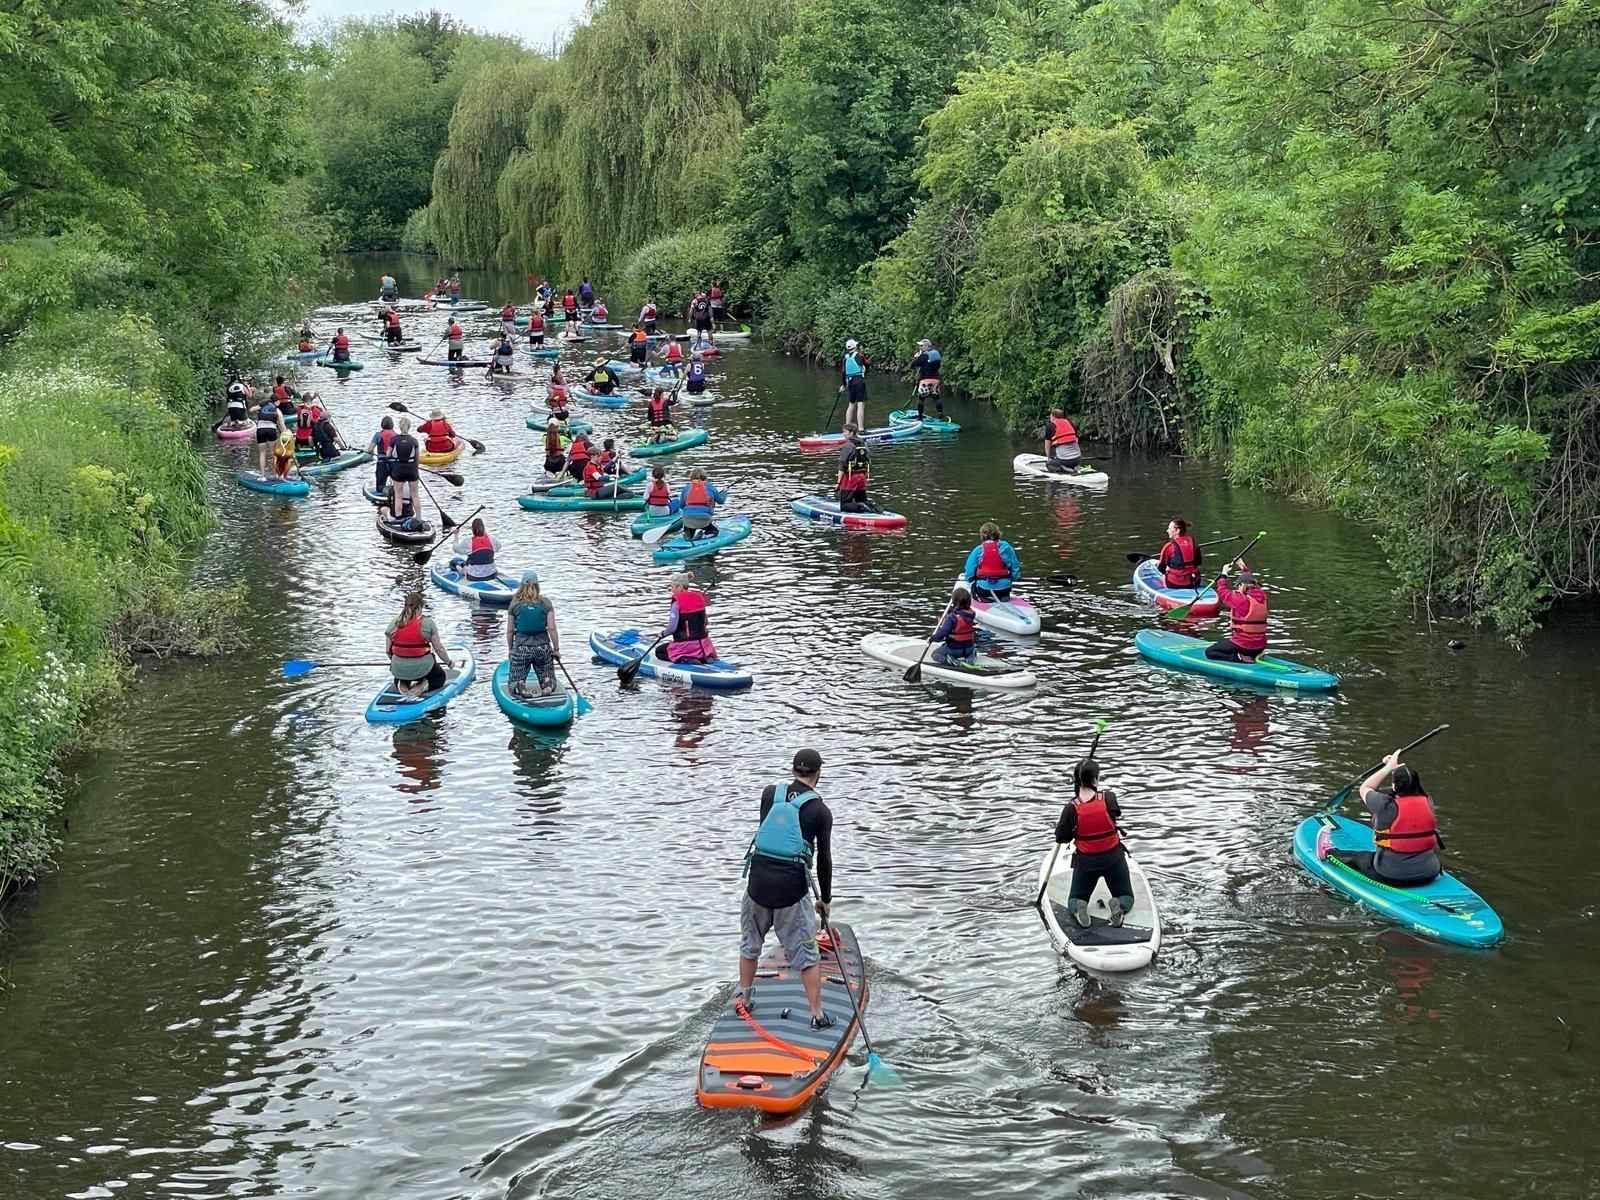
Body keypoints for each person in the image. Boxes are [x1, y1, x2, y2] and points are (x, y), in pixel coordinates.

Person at [736, 748, 835, 1030]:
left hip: (757, 885)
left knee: (750, 943)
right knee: (806, 954)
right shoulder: (820, 810)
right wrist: (825, 900)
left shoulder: (769, 794)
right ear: (819, 773)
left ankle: (744, 997)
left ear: (793, 770)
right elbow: (825, 860)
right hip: (791, 892)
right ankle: (817, 1015)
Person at [1318, 750, 1442, 886]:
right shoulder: (1428, 802)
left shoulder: (1385, 805)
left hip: (1391, 874)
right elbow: (1411, 785)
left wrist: (1388, 768)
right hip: (1430, 872)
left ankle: (1327, 852)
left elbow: (1365, 787)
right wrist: (1396, 769)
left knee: (1360, 858)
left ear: (1394, 786)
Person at [1054, 757, 1134, 928]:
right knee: (1126, 896)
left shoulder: (1071, 808)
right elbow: (1114, 814)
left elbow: (1061, 837)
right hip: (1114, 859)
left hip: (1086, 862)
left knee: (1074, 899)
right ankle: (1118, 904)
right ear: (1096, 779)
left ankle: (1079, 907)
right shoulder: (1109, 798)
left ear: (1075, 781)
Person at [385, 591, 453, 699]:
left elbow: (388, 651)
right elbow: (439, 649)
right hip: (423, 667)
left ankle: (402, 684)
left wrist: (397, 661)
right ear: (421, 606)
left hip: (399, 667)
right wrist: (449, 662)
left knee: (402, 675)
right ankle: (421, 686)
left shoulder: (394, 623)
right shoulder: (428, 623)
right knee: (440, 677)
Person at [506, 571, 561, 698]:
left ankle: (519, 685)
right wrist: (556, 649)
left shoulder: (514, 604)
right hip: (543, 648)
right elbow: (552, 628)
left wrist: (510, 649)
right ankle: (547, 684)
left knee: (515, 680)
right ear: (537, 586)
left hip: (521, 648)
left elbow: (509, 631)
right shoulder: (546, 603)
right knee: (547, 674)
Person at [1206, 559, 1268, 662]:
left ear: (1242, 585)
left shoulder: (1241, 600)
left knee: (1210, 652)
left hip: (1245, 646)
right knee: (1229, 644)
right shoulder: (1261, 595)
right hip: (1260, 646)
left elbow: (1222, 591)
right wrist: (1243, 568)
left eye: (1238, 586)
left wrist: (1224, 574)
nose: (1237, 589)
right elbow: (1251, 580)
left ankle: (1241, 658)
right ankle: (1248, 655)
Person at [655, 572, 718, 662]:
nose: (671, 590)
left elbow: (672, 628)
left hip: (686, 647)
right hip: (704, 645)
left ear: (679, 587)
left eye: (672, 587)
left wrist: (662, 634)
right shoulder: (699, 597)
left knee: (659, 651)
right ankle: (705, 657)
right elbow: (706, 622)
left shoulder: (677, 603)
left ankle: (685, 658)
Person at [962, 522, 1021, 601]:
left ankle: (984, 600)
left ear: (982, 536)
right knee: (1004, 589)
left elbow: (969, 574)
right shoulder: (1007, 548)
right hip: (1004, 590)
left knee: (974, 584)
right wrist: (1012, 578)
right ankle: (1002, 599)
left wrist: (971, 580)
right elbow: (1015, 571)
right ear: (998, 534)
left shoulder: (978, 550)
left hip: (984, 590)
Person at [930, 586, 979, 666]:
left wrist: (932, 638)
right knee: (969, 650)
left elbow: (942, 634)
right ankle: (971, 656)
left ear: (954, 602)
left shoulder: (951, 618)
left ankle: (951, 661)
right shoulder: (972, 614)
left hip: (954, 649)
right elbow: (962, 617)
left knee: (935, 654)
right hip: (969, 648)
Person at [672, 467, 726, 538]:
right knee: (714, 531)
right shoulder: (710, 486)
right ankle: (709, 533)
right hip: (704, 519)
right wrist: (724, 493)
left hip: (687, 520)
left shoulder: (686, 488)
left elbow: (681, 505)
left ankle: (688, 534)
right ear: (704, 477)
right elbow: (721, 501)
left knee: (689, 525)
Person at [389, 416, 421, 522]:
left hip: (398, 470)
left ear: (399, 427)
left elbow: (388, 454)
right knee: (415, 495)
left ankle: (398, 518)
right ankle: (419, 518)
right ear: (409, 427)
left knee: (398, 495)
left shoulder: (394, 440)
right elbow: (417, 458)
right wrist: (416, 471)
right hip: (411, 469)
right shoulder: (414, 441)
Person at [835, 426, 875, 513]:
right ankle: (866, 505)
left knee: (845, 505)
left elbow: (842, 465)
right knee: (861, 499)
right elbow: (868, 460)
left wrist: (838, 483)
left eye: (845, 432)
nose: (843, 434)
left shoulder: (847, 446)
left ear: (851, 433)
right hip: (861, 477)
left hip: (850, 478)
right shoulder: (863, 444)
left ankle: (861, 506)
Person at [450, 517, 500, 581]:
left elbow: (455, 549)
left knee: (454, 563)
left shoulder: (468, 541)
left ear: (472, 529)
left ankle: (460, 570)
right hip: (492, 575)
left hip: (473, 576)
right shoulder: (492, 539)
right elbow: (498, 547)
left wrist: (456, 534)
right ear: (484, 529)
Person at [1157, 517, 1202, 589]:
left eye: (1169, 528)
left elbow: (1161, 568)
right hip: (1194, 582)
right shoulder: (1194, 544)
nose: (1167, 530)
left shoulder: (1169, 546)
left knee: (1164, 574)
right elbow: (1198, 562)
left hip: (1175, 583)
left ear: (1177, 530)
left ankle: (1167, 590)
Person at [250, 389, 286, 474]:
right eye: (279, 401)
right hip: (271, 430)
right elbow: (282, 427)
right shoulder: (277, 411)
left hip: (260, 430)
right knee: (274, 453)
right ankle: (275, 474)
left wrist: (261, 405)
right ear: (276, 402)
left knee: (262, 453)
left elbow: (251, 410)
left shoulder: (263, 405)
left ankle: (262, 475)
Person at [840, 338, 868, 431]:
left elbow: (843, 372)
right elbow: (867, 364)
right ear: (855, 347)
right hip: (859, 381)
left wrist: (843, 385)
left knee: (851, 404)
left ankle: (847, 428)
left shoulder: (845, 358)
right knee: (860, 404)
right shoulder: (859, 355)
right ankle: (861, 428)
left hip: (850, 382)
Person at [911, 338, 943, 417]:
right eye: (920, 346)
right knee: (936, 398)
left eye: (922, 346)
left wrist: (916, 357)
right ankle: (940, 414)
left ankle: (920, 417)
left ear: (927, 346)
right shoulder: (936, 354)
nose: (920, 347)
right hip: (935, 380)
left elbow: (913, 365)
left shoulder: (923, 356)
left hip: (925, 380)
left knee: (921, 399)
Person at [1043, 407, 1081, 473]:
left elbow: (1047, 446)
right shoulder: (1070, 423)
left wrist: (1048, 458)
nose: (1050, 418)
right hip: (1077, 459)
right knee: (1060, 457)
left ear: (1053, 416)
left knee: (1049, 464)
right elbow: (1076, 439)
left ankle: (1066, 469)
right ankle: (1074, 466)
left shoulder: (1050, 426)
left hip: (1064, 460)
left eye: (1050, 416)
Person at [369, 415, 397, 492]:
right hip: (394, 464)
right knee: (397, 485)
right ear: (392, 425)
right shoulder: (396, 435)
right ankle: (394, 494)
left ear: (382, 424)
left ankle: (384, 492)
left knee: (380, 487)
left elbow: (370, 449)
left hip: (381, 464)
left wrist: (371, 453)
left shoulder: (377, 435)